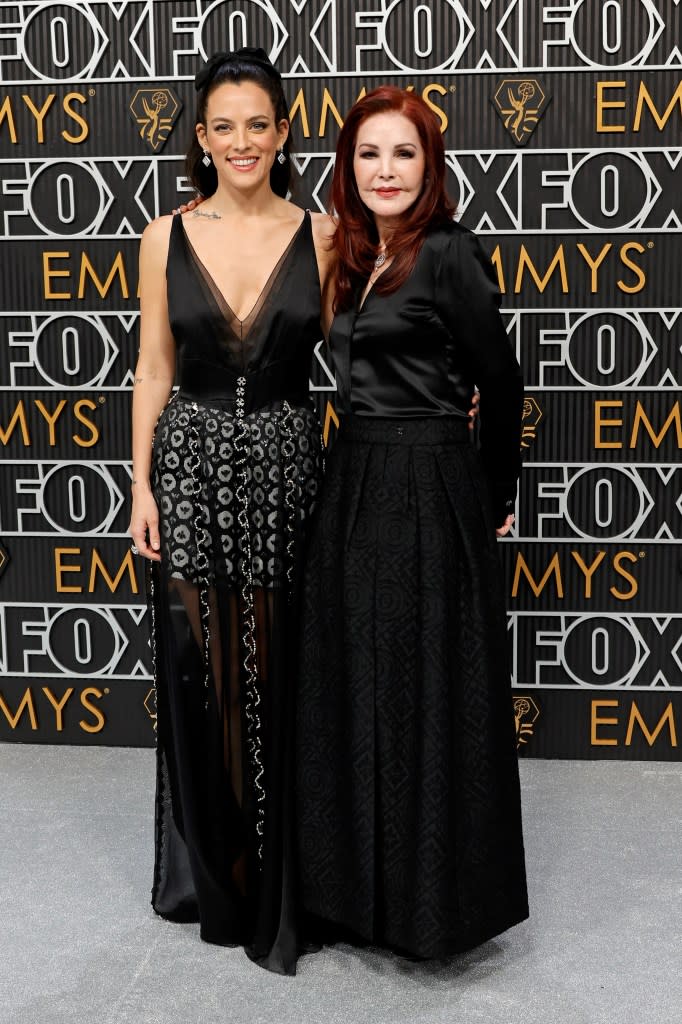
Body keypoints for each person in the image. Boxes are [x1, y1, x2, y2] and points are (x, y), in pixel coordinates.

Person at [296, 86, 529, 959]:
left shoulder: (450, 253)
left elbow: (500, 385)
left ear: (429, 166)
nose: (384, 170)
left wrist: (494, 492)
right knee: (353, 685)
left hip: (433, 481)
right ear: (346, 167)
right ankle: (350, 897)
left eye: (403, 154)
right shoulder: (347, 254)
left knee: (430, 695)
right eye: (368, 154)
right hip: (350, 477)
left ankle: (433, 906)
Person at [128, 48, 334, 975]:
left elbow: (369, 351)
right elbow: (155, 370)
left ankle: (288, 870)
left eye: (260, 123)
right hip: (196, 464)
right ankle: (218, 869)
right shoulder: (165, 235)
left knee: (284, 660)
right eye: (224, 126)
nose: (242, 141)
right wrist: (141, 484)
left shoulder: (326, 235)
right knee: (204, 666)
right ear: (201, 138)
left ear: (283, 131)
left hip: (293, 465)